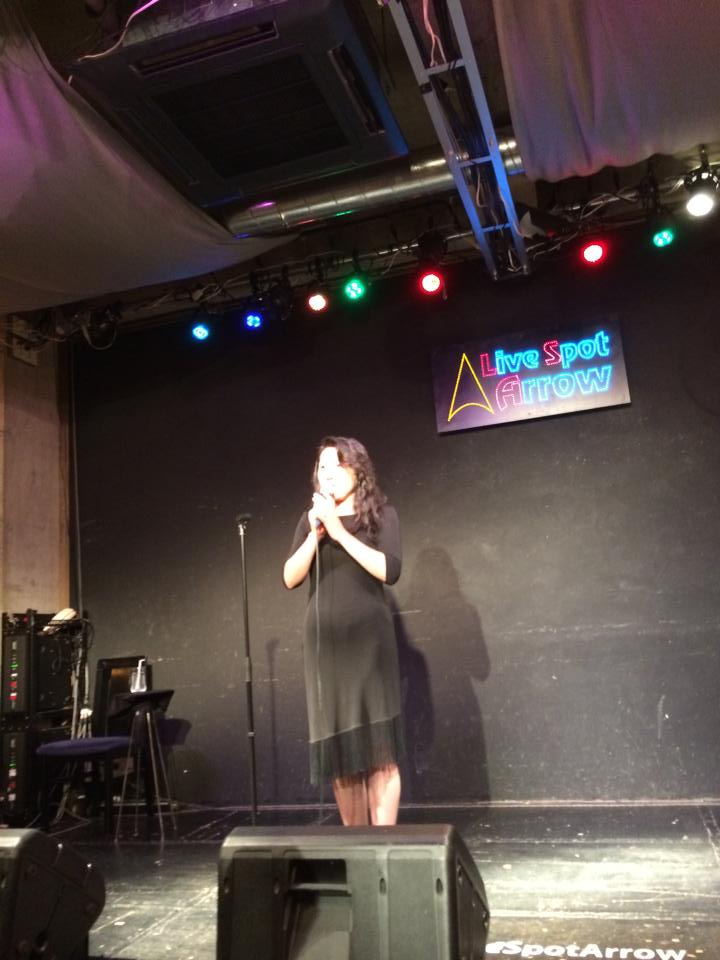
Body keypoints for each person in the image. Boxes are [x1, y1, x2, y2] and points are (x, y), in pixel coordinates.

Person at [283, 436, 404, 826]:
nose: (329, 474)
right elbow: (290, 578)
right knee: (341, 754)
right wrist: (316, 534)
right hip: (326, 650)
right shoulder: (310, 521)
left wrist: (339, 532)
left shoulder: (382, 516)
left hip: (370, 645)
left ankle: (383, 844)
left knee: (379, 750)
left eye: (337, 465)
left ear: (358, 469)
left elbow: (389, 570)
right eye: (323, 468)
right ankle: (357, 844)